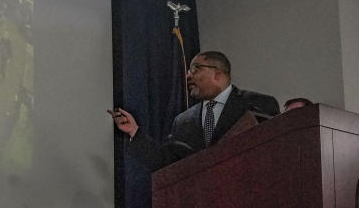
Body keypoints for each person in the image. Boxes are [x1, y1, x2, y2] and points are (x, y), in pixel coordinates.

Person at [109, 51, 279, 172]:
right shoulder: (183, 121)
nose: (188, 76)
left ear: (218, 74)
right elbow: (167, 163)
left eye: (195, 69)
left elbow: (273, 154)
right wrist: (134, 131)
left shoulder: (259, 103)